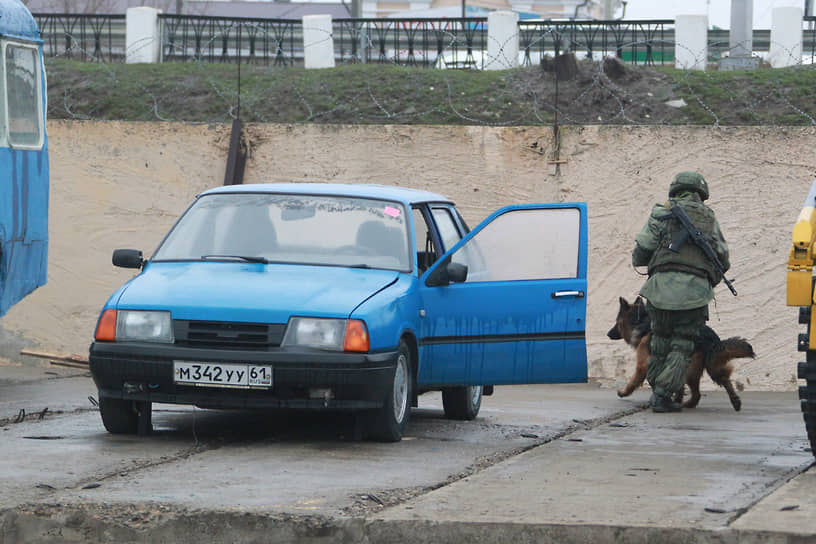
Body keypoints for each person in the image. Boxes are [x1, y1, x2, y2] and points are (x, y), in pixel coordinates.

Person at [631, 171, 730, 412]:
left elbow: (642, 249)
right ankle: (663, 395)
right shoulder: (709, 218)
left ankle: (659, 389)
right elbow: (723, 259)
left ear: (675, 189)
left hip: (658, 291)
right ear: (702, 193)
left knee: (660, 341)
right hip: (694, 294)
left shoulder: (660, 212)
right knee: (682, 345)